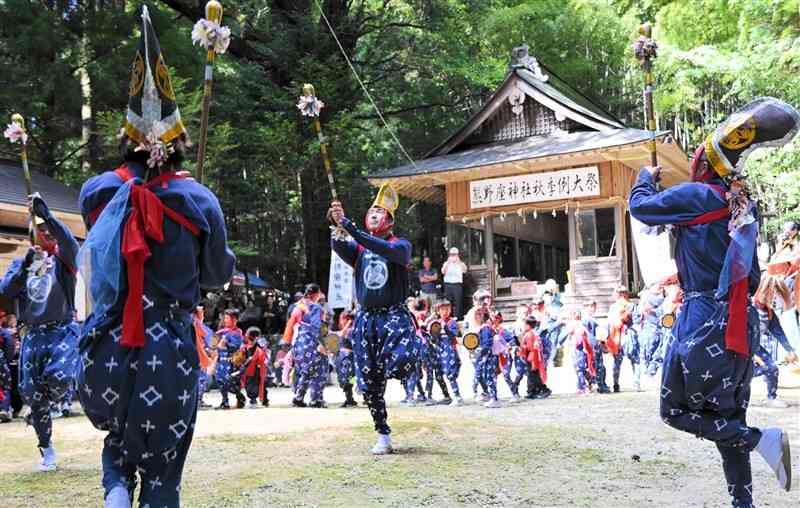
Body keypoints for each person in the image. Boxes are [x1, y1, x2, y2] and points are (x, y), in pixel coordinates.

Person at [77, 8, 236, 505]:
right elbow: (215, 275)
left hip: (108, 347)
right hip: (167, 347)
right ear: (179, 140)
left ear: (127, 141)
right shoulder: (200, 199)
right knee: (165, 470)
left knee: (117, 441)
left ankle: (116, 488)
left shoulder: (98, 192)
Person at [630, 97, 798, 506]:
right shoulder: (740, 203)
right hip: (741, 317)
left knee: (673, 411)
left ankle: (760, 438)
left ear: (704, 161)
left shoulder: (695, 197)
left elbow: (641, 208)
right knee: (727, 416)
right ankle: (744, 503)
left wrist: (644, 178)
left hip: (704, 316)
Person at [329, 184, 421, 454]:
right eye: (372, 209)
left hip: (393, 317)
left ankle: (414, 365)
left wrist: (351, 228)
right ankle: (382, 432)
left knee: (403, 360)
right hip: (366, 320)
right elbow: (339, 244)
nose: (374, 213)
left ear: (390, 220)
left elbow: (377, 246)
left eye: (380, 211)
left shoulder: (401, 246)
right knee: (368, 380)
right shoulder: (359, 249)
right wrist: (336, 223)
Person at [0, 193, 80, 472]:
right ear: (31, 233)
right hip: (33, 334)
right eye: (40, 227)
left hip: (61, 331)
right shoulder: (22, 264)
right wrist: (25, 264)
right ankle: (46, 449)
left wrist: (47, 213)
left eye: (49, 229)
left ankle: (53, 400)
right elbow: (6, 292)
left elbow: (69, 241)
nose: (45, 231)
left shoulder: (64, 260)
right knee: (32, 394)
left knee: (59, 377)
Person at [283, 283, 328, 408]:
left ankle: (298, 398)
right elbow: (315, 327)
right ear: (316, 294)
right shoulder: (316, 307)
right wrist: (320, 344)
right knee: (319, 370)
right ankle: (316, 400)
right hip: (312, 343)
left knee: (305, 371)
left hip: (299, 342)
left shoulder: (297, 306)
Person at [428, 300, 463, 406]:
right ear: (438, 311)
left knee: (450, 374)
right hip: (439, 350)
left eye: (447, 309)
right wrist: (434, 334)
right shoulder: (435, 323)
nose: (445, 311)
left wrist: (446, 328)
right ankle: (446, 396)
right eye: (442, 309)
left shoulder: (452, 322)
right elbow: (434, 340)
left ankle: (457, 396)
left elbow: (456, 335)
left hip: (449, 351)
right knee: (438, 374)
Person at [607, 286, 641, 392]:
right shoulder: (614, 307)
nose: (622, 295)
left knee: (634, 360)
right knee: (618, 361)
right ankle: (616, 384)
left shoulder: (631, 306)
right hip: (618, 336)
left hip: (628, 335)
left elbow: (637, 320)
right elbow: (610, 323)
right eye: (620, 293)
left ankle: (636, 383)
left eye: (623, 293)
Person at [214, 309, 246, 410]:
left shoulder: (237, 332)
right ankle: (225, 401)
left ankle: (240, 396)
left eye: (228, 318)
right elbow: (213, 344)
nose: (225, 320)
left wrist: (226, 343)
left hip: (230, 360)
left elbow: (236, 347)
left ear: (235, 320)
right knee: (219, 381)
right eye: (225, 318)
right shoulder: (221, 331)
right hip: (220, 360)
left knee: (229, 382)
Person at [519, 316, 550, 399]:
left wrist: (523, 347)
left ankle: (543, 389)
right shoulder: (533, 333)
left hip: (532, 356)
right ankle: (532, 391)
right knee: (532, 374)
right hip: (534, 355)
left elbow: (529, 347)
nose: (524, 326)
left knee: (533, 374)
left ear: (528, 325)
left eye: (525, 324)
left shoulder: (529, 334)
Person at [566, 310, 596, 395]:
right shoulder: (572, 324)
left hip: (582, 348)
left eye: (577, 314)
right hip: (576, 348)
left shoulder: (583, 324)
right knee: (579, 368)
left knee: (580, 368)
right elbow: (569, 331)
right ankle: (585, 384)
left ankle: (584, 386)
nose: (576, 316)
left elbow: (586, 334)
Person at [475, 310, 501, 408]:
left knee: (490, 377)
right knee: (487, 376)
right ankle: (492, 397)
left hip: (488, 356)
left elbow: (487, 344)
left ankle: (494, 398)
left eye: (477, 316)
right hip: (488, 355)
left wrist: (480, 351)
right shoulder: (486, 328)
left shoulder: (485, 328)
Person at [240, 327, 270, 408]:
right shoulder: (246, 345)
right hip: (250, 367)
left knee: (257, 383)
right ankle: (259, 399)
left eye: (247, 334)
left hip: (257, 367)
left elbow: (264, 354)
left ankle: (259, 400)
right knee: (252, 384)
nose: (245, 335)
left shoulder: (259, 344)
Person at [192, 305, 215, 408]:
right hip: (199, 355)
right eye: (201, 313)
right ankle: (198, 401)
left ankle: (196, 400)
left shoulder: (189, 322)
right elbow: (208, 339)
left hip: (191, 354)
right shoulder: (197, 324)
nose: (203, 315)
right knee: (202, 378)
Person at [335, 311, 358, 408]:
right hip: (344, 356)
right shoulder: (349, 329)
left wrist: (349, 322)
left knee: (348, 378)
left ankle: (350, 398)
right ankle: (349, 398)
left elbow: (342, 335)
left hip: (348, 356)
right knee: (346, 378)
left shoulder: (351, 330)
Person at [441, 247, 468, 319]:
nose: (453, 256)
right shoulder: (446, 263)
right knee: (449, 302)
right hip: (448, 284)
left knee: (458, 302)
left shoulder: (461, 263)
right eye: (451, 254)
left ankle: (458, 318)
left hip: (457, 284)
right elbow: (443, 271)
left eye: (454, 254)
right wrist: (448, 262)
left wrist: (458, 261)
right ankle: (448, 317)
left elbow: (465, 270)